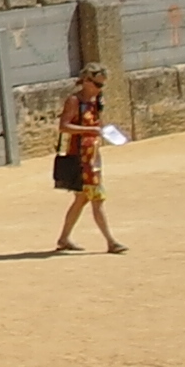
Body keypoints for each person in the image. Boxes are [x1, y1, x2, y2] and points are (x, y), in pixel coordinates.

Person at [49, 66, 124, 253]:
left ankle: (64, 238)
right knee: (96, 197)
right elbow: (64, 126)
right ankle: (111, 241)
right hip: (82, 157)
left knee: (82, 198)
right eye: (98, 84)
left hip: (93, 155)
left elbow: (98, 123)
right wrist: (91, 130)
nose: (100, 88)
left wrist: (106, 131)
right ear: (87, 81)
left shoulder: (96, 100)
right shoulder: (74, 101)